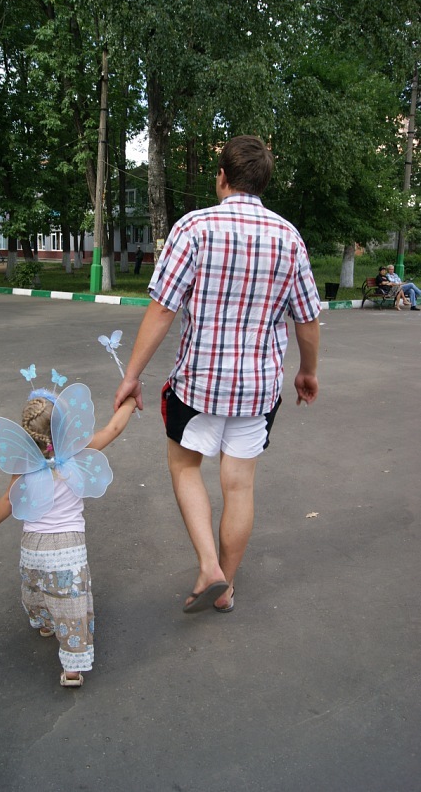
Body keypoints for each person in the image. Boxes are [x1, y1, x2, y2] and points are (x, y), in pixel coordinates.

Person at [114, 135, 320, 615]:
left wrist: (132, 375)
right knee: (239, 485)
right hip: (258, 388)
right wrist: (308, 371)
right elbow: (307, 320)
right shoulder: (288, 237)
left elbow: (162, 310)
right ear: (263, 182)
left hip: (199, 384)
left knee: (186, 467)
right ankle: (225, 588)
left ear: (222, 177)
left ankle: (209, 566)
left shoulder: (194, 227)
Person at [0, 385, 137, 687]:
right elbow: (113, 428)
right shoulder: (79, 451)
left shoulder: (24, 463)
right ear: (64, 427)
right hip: (68, 547)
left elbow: (8, 500)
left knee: (37, 588)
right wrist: (131, 402)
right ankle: (72, 669)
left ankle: (45, 623)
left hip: (33, 546)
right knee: (71, 605)